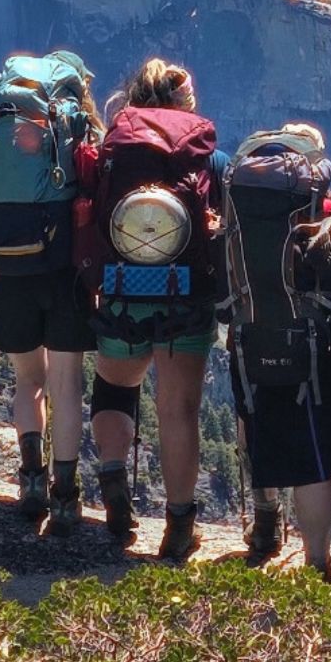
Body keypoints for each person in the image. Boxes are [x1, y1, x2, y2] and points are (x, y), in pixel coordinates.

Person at [88, 59, 224, 560]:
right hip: (185, 294)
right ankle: (179, 526)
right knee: (178, 409)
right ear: (186, 107)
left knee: (115, 386)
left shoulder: (113, 148)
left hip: (123, 289)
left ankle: (113, 482)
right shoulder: (209, 158)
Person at [223, 122, 331, 580]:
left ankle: (265, 524)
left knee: (254, 422)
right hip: (309, 341)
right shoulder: (327, 206)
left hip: (248, 334)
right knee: (312, 453)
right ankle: (316, 561)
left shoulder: (239, 201)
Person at [0, 49, 101, 535]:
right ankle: (66, 497)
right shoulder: (77, 125)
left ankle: (30, 482)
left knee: (30, 381)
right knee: (66, 384)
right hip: (64, 270)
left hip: (11, 264)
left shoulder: (5, 112)